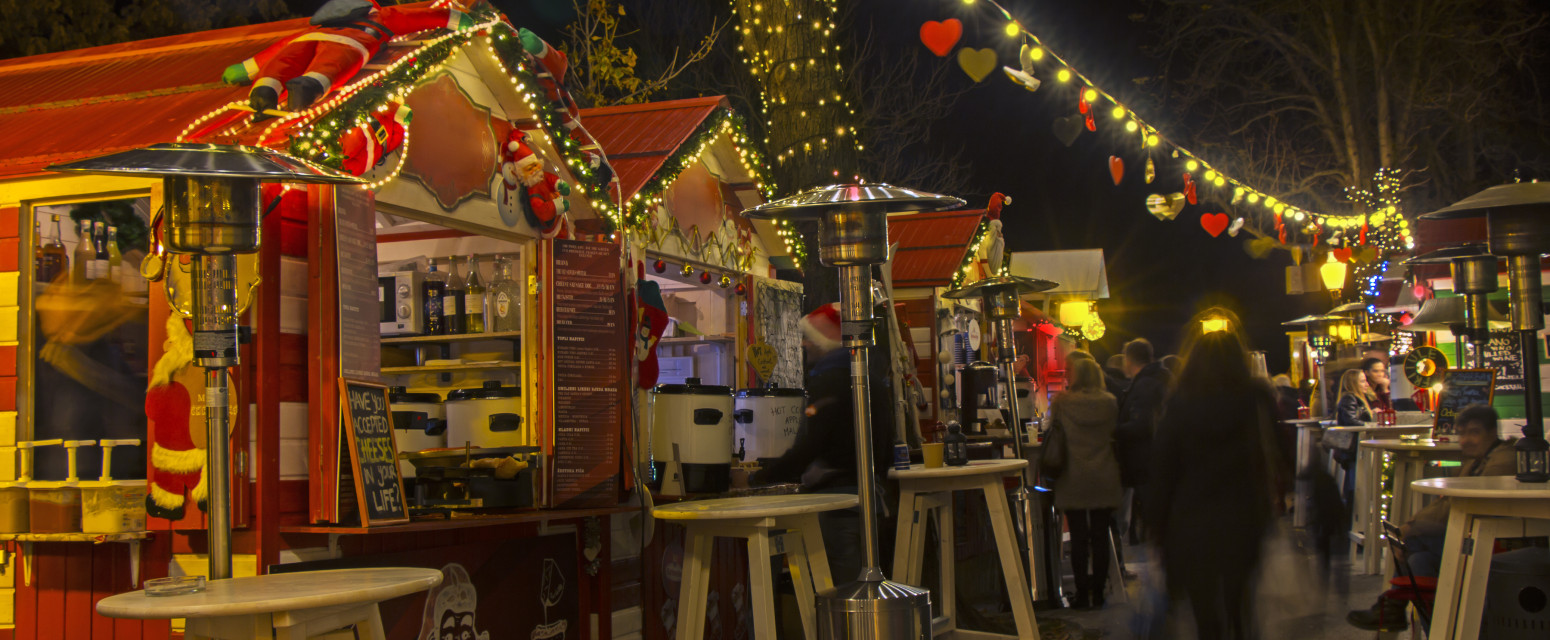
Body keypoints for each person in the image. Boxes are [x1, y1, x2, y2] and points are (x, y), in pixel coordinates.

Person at [750, 302, 893, 584]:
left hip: (837, 509)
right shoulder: (872, 380)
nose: (804, 344)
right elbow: (886, 445)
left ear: (823, 339)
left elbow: (810, 446)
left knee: (838, 593)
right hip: (873, 506)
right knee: (868, 591)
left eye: (809, 337)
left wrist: (760, 479)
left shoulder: (828, 382)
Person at [1149, 330, 1278, 640]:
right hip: (1245, 513)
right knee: (1240, 603)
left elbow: (1164, 469)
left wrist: (1157, 525)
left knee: (1205, 612)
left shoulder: (1180, 402)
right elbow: (1277, 451)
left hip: (1192, 517)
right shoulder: (1257, 397)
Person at [1347, 404, 1517, 632]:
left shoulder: (1503, 459)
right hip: (1468, 536)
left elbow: (1460, 505)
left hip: (1491, 543)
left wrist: (1409, 532)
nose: (1466, 440)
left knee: (1414, 543)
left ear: (1491, 433)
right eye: (1462, 433)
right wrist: (1409, 527)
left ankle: (1392, 608)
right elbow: (1444, 504)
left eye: (1474, 432)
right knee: (1419, 562)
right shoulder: (1477, 461)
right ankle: (1436, 632)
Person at [1048, 358, 1123, 609]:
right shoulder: (1110, 404)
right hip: (1104, 474)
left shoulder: (1062, 403)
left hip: (1074, 476)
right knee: (1101, 535)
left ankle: (1081, 595)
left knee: (1079, 537)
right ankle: (1099, 593)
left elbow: (1052, 432)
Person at [1116, 337, 1171, 542]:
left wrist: (1114, 431)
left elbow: (1142, 424)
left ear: (1129, 360)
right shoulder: (1158, 379)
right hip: (1154, 459)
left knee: (1152, 518)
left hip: (1145, 461)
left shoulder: (1144, 385)